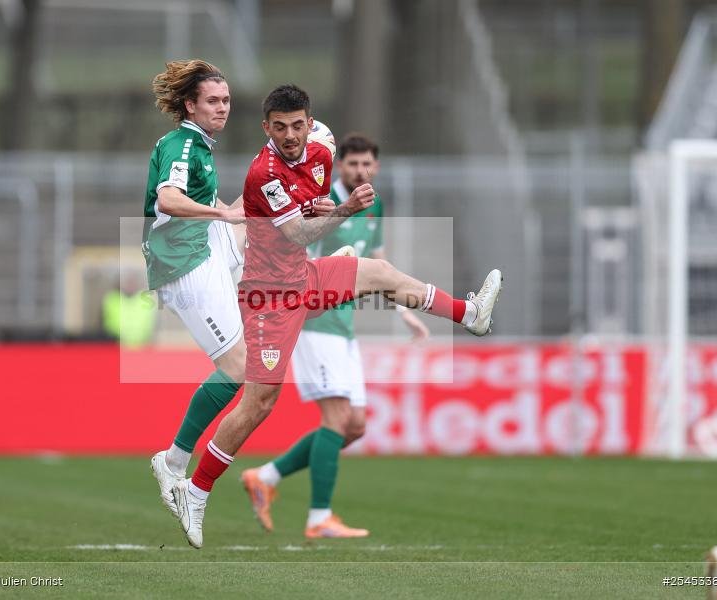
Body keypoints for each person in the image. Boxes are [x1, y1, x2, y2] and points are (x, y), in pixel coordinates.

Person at [172, 84, 502, 549]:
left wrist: (325, 207)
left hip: (303, 278)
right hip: (270, 298)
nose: (291, 135)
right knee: (260, 403)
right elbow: (297, 233)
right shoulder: (262, 172)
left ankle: (471, 314)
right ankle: (195, 490)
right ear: (266, 128)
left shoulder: (322, 145)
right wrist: (342, 209)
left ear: (310, 122)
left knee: (381, 272)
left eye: (298, 124)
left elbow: (310, 209)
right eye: (280, 127)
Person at [240, 133, 429, 538]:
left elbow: (378, 263)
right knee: (337, 417)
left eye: (367, 165)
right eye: (353, 164)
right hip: (313, 319)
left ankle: (266, 476)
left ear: (375, 167)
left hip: (343, 325)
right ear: (339, 165)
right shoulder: (321, 200)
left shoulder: (371, 204)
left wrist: (402, 309)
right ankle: (319, 517)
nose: (360, 171)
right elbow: (295, 248)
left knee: (355, 425)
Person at [144, 60, 248, 518]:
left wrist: (228, 212)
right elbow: (167, 198)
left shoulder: (201, 146)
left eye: (226, 100)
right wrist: (224, 216)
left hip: (201, 246)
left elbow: (211, 204)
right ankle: (173, 462)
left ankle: (325, 269)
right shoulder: (183, 144)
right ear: (191, 104)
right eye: (213, 101)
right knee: (237, 367)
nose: (222, 108)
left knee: (266, 201)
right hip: (183, 260)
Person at [102, 270, 157, 348]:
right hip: (115, 347)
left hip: (142, 347)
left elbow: (152, 325)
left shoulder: (146, 299)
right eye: (127, 282)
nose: (130, 285)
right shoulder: (112, 299)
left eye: (132, 281)